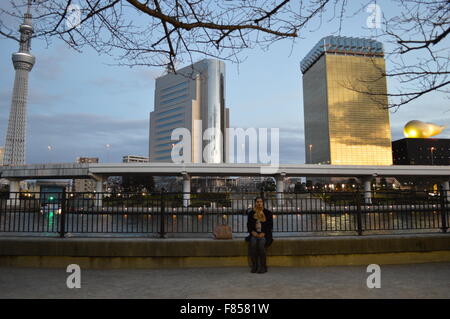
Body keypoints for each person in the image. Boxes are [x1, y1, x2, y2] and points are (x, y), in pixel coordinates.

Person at [245, 197, 273, 273]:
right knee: (253, 244)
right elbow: (249, 225)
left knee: (261, 244)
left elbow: (270, 225)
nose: (259, 203)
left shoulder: (268, 213)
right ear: (255, 203)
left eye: (260, 202)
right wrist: (252, 232)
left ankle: (263, 266)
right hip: (254, 233)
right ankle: (255, 265)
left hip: (265, 234)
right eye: (257, 202)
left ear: (263, 203)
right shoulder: (251, 213)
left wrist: (263, 233)